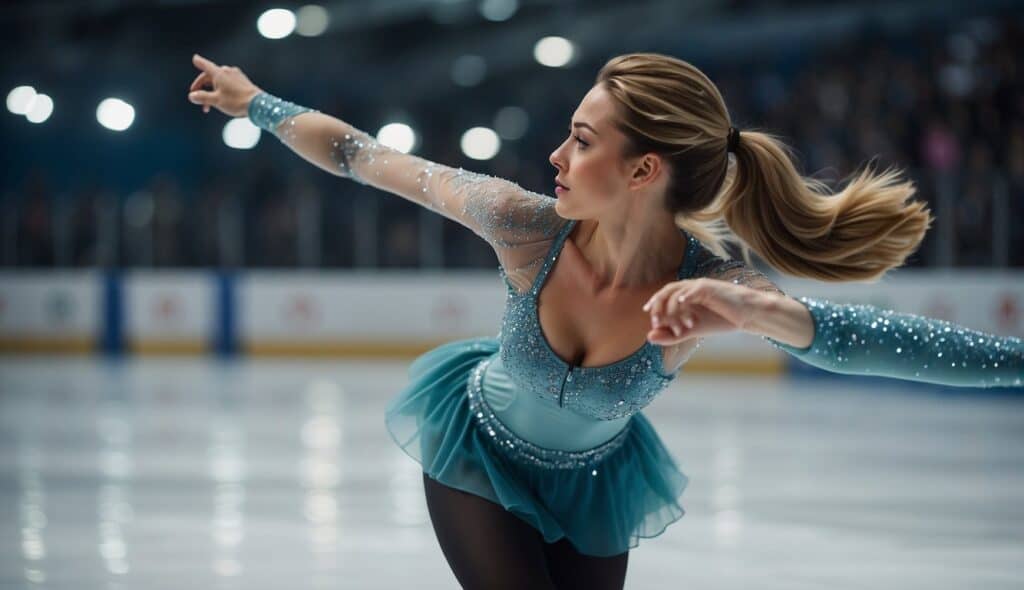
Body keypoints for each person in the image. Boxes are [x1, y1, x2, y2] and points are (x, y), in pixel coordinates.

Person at [187, 52, 1023, 589]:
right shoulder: (522, 226)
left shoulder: (712, 287)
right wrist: (254, 101)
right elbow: (361, 156)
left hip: (595, 485)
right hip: (474, 454)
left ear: (643, 170)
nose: (555, 156)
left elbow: (860, 341)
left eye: (581, 141)